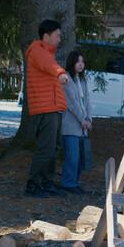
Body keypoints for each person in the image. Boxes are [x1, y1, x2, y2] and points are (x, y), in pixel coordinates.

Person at [23, 19, 69, 198]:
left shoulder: (48, 53)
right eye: (57, 35)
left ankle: (47, 183)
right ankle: (32, 185)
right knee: (46, 148)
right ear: (46, 36)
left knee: (54, 148)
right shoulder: (38, 51)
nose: (59, 39)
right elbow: (51, 67)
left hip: (52, 108)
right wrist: (61, 73)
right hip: (45, 110)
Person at [59, 50, 92, 195]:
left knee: (80, 158)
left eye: (82, 62)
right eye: (78, 61)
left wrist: (89, 120)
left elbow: (88, 103)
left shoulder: (82, 81)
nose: (81, 64)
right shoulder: (66, 80)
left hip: (82, 126)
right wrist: (82, 119)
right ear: (72, 63)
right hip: (70, 126)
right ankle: (67, 182)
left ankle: (75, 182)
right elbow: (71, 102)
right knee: (72, 156)